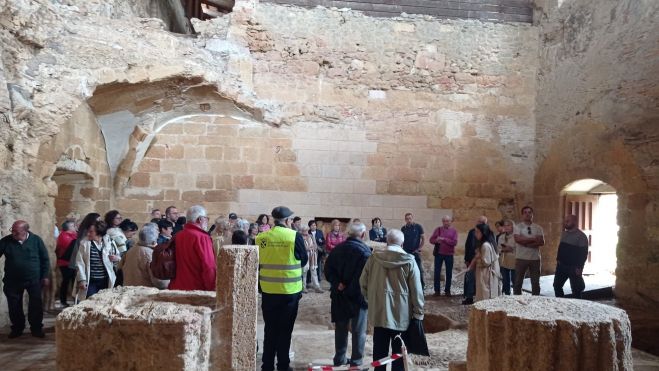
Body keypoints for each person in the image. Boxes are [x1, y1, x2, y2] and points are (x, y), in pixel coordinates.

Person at [360, 229, 424, 371]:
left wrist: (370, 300)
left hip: (379, 313)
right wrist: (418, 312)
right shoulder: (409, 261)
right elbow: (417, 291)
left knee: (379, 354)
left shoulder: (374, 258)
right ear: (402, 243)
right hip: (401, 316)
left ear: (387, 241)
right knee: (399, 356)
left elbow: (362, 282)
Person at [256, 206, 308, 371]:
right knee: (285, 331)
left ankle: (267, 365)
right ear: (287, 221)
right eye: (291, 219)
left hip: (268, 291)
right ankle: (283, 365)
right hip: (289, 292)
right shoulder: (294, 236)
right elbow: (304, 260)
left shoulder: (261, 237)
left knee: (270, 329)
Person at [325, 223, 371, 368]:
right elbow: (364, 277)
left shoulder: (337, 249)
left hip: (339, 295)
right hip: (358, 297)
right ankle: (356, 362)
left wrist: (337, 283)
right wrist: (349, 289)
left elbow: (327, 270)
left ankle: (339, 359)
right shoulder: (365, 252)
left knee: (341, 328)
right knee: (359, 330)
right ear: (363, 235)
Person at [0, 221, 50, 338]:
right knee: (14, 305)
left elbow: (45, 259)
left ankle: (36, 328)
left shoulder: (36, 240)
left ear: (25, 231)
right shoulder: (6, 241)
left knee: (36, 305)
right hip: (12, 280)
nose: (13, 233)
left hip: (34, 279)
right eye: (12, 230)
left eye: (16, 232)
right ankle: (17, 328)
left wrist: (45, 276)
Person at [169, 205, 216, 291]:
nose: (207, 221)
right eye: (206, 218)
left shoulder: (178, 235)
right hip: (196, 288)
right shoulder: (202, 237)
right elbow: (209, 266)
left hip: (177, 286)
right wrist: (211, 289)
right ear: (200, 219)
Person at [75, 221, 119, 300]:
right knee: (90, 302)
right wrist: (82, 279)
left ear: (99, 232)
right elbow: (80, 263)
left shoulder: (110, 242)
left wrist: (116, 258)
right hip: (91, 281)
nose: (88, 234)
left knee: (103, 302)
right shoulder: (85, 244)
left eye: (91, 232)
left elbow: (118, 256)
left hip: (105, 280)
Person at [121, 224, 168, 289]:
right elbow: (159, 282)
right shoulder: (150, 254)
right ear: (154, 241)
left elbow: (120, 268)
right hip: (144, 291)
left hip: (128, 289)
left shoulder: (131, 250)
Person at [553, 214, 589, 299]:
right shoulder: (564, 234)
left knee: (576, 290)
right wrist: (558, 259)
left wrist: (580, 267)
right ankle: (561, 304)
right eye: (565, 221)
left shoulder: (581, 236)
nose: (565, 223)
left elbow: (583, 254)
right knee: (557, 286)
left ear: (575, 222)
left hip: (573, 267)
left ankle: (576, 309)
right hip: (561, 266)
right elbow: (561, 248)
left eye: (568, 221)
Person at [513, 206, 545, 295]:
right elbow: (518, 240)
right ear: (522, 215)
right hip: (521, 258)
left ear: (532, 214)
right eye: (525, 212)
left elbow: (541, 242)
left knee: (535, 283)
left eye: (529, 212)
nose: (527, 214)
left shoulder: (538, 228)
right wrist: (533, 239)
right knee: (518, 282)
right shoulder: (518, 227)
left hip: (535, 259)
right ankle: (517, 301)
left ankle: (535, 301)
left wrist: (525, 242)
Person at [467, 223, 501, 302]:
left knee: (485, 294)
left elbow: (486, 263)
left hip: (486, 273)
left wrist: (478, 257)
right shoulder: (488, 243)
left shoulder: (485, 245)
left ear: (483, 232)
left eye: (477, 232)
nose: (475, 234)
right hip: (486, 273)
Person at [429, 216, 458, 296]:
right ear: (442, 222)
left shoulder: (454, 231)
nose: (446, 222)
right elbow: (431, 240)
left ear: (450, 222)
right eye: (444, 221)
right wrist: (436, 240)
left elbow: (454, 242)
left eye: (448, 221)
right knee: (437, 272)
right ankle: (437, 291)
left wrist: (444, 239)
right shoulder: (438, 229)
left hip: (449, 254)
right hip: (439, 254)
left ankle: (447, 290)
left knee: (449, 273)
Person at [462, 215, 487, 305]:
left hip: (482, 260)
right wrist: (466, 258)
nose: (479, 223)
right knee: (470, 278)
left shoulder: (487, 233)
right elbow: (468, 245)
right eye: (479, 221)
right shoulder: (471, 232)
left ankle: (480, 297)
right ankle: (469, 297)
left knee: (481, 279)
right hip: (471, 258)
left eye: (482, 222)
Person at [55, 221, 77, 307]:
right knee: (66, 281)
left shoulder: (73, 235)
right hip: (65, 263)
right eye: (72, 225)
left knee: (73, 281)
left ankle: (75, 299)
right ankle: (63, 301)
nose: (74, 227)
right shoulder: (63, 236)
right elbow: (70, 246)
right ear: (68, 227)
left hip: (73, 262)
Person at [401, 213, 425, 290]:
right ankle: (408, 288)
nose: (408, 220)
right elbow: (401, 241)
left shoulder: (418, 227)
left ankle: (421, 288)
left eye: (410, 218)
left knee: (419, 270)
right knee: (406, 271)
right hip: (406, 253)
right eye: (407, 219)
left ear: (412, 218)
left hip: (415, 252)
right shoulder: (403, 229)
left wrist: (419, 248)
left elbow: (423, 239)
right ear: (405, 220)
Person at [300, 225, 322, 293]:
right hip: (305, 256)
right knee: (304, 272)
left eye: (306, 230)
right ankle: (303, 287)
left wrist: (313, 247)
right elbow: (300, 247)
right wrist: (307, 248)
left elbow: (315, 245)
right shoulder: (300, 237)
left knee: (314, 272)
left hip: (312, 256)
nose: (306, 232)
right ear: (302, 231)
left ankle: (317, 287)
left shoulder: (311, 236)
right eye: (304, 230)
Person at [498, 219, 516, 295]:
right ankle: (507, 294)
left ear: (513, 226)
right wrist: (504, 249)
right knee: (505, 280)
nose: (506, 227)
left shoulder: (517, 236)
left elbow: (520, 248)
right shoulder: (501, 237)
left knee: (515, 280)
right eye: (505, 225)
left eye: (508, 225)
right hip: (504, 260)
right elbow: (498, 248)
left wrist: (511, 249)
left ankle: (517, 295)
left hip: (515, 260)